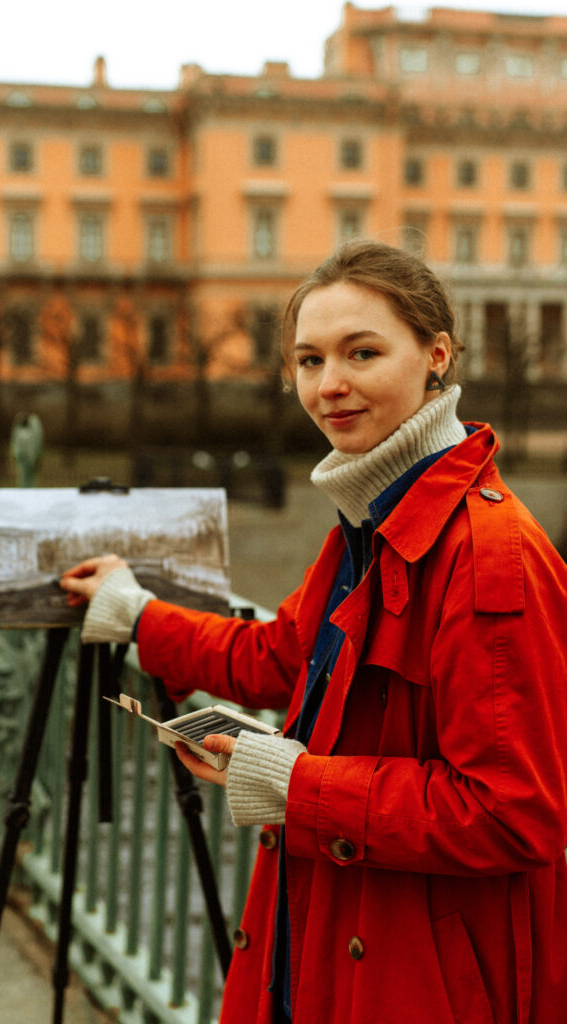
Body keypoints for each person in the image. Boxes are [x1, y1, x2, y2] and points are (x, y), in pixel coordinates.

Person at [60, 240, 567, 1024]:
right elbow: (281, 658)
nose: (329, 386)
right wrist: (135, 613)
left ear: (436, 356)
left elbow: (512, 814)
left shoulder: (485, 557)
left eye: (361, 353)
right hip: (345, 938)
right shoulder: (373, 521)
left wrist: (296, 784)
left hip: (423, 983)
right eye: (308, 360)